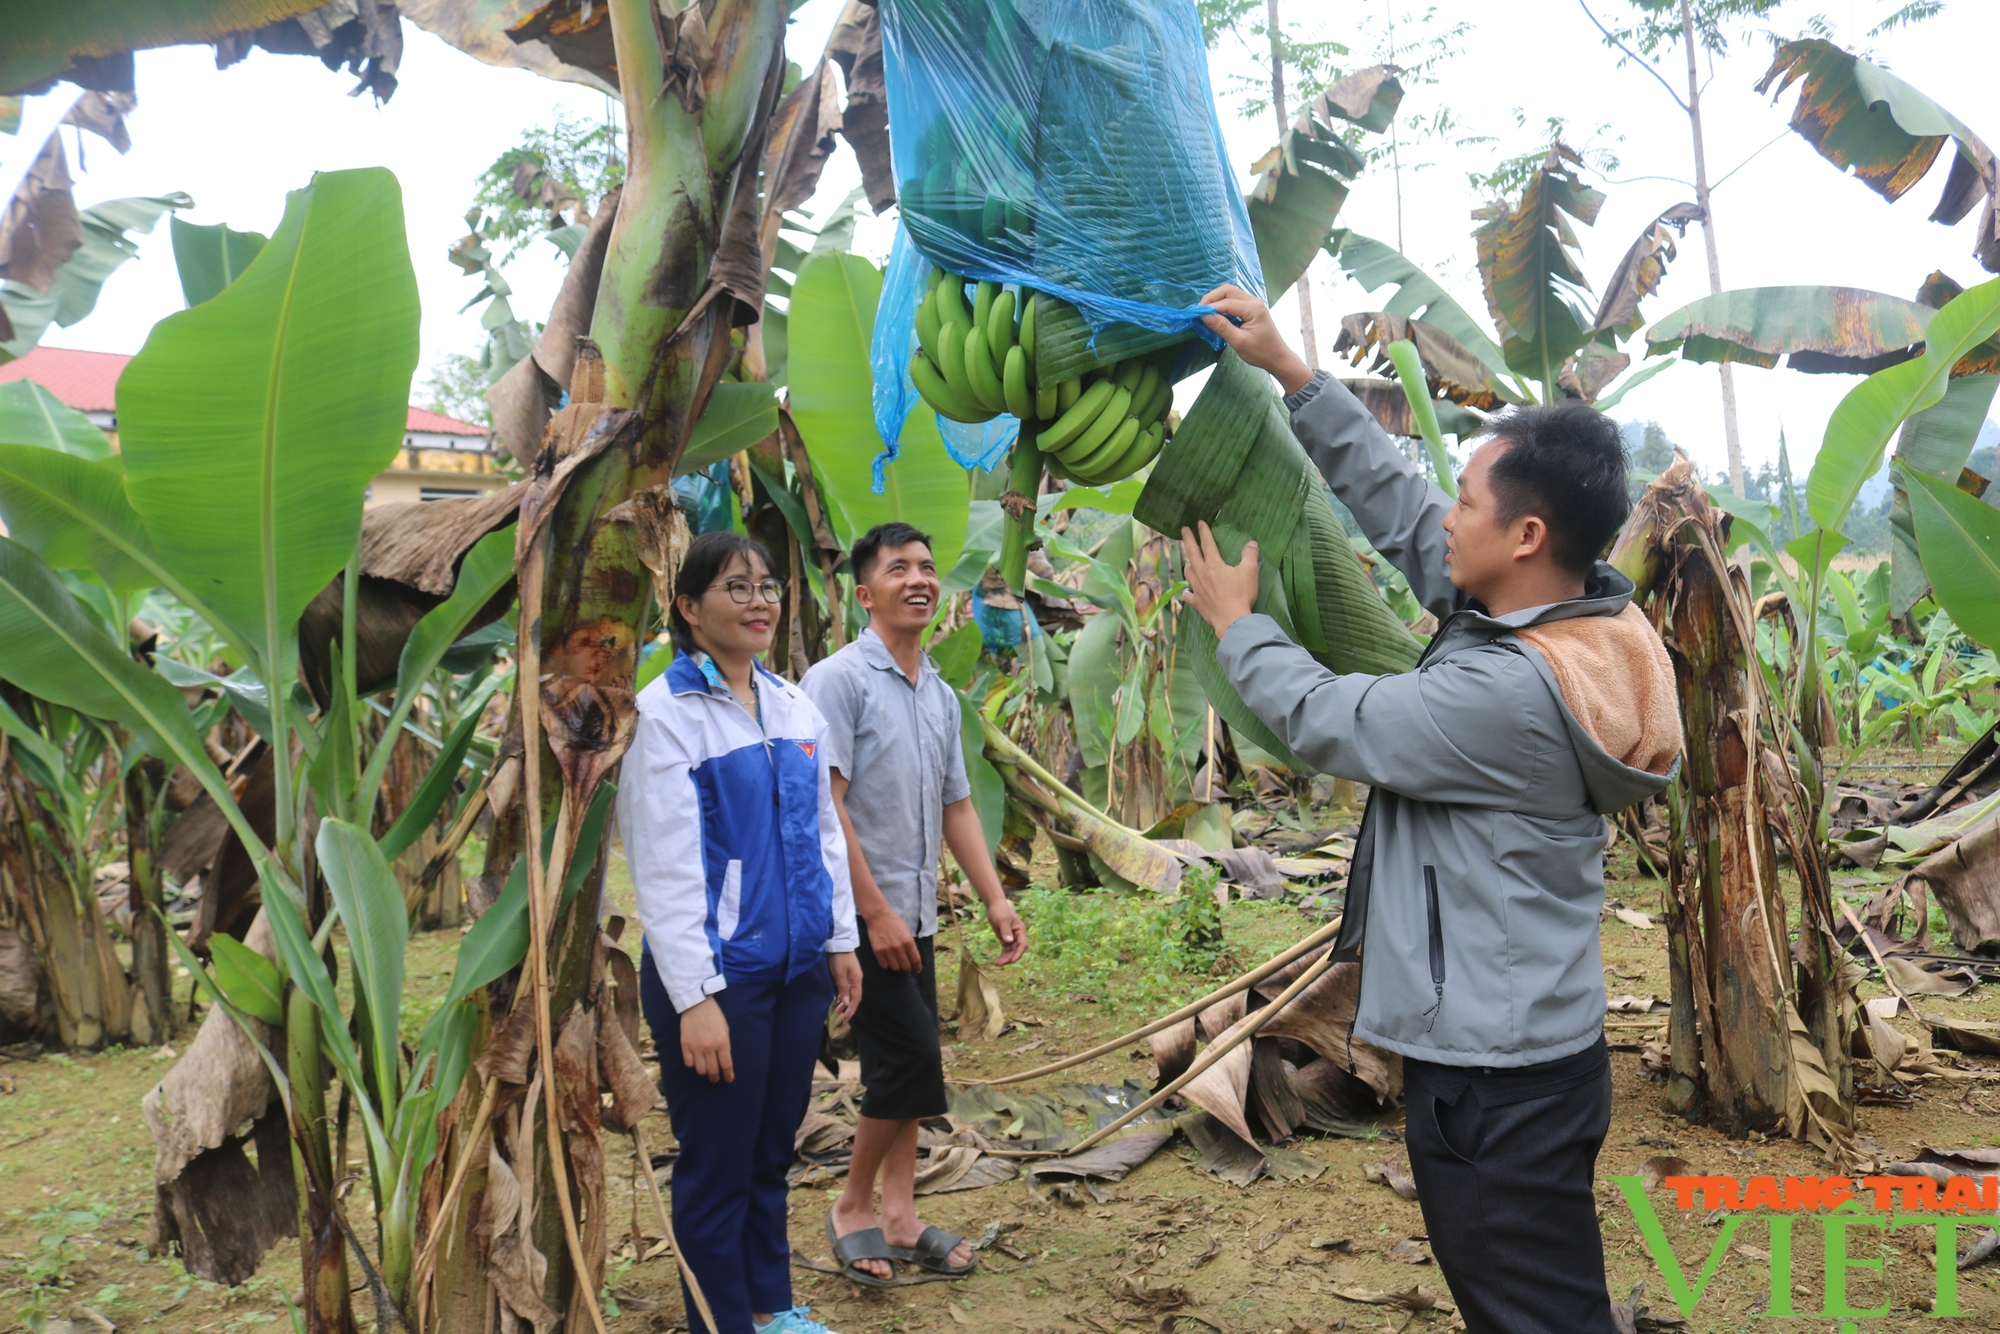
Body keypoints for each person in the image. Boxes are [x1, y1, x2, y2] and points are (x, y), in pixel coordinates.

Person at [1179, 287, 1681, 1334]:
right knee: (1532, 1291)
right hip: (1525, 1044)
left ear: (1526, 533)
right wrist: (1295, 376)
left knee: (1529, 1310)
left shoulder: (1506, 693)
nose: (1444, 515)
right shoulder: (1572, 618)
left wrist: (1237, 627)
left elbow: (1329, 717)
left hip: (1494, 1078)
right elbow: (1405, 515)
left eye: (1467, 500)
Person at [620, 531, 864, 1334]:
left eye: (767, 586)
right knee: (717, 1165)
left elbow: (824, 833)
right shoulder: (665, 715)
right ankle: (720, 1322)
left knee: (769, 1155)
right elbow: (664, 865)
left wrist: (839, 941)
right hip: (720, 980)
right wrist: (694, 999)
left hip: (795, 972)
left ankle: (770, 1309)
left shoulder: (794, 704)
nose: (760, 601)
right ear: (690, 609)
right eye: (737, 588)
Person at [801, 522, 1029, 1286]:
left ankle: (900, 1212)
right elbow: (825, 808)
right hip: (858, 916)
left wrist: (994, 898)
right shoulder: (839, 680)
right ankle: (853, 1207)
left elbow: (957, 807)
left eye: (928, 567)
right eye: (899, 568)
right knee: (908, 1064)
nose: (919, 578)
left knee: (913, 1069)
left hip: (919, 911)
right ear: (866, 594)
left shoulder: (937, 691)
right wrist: (874, 913)